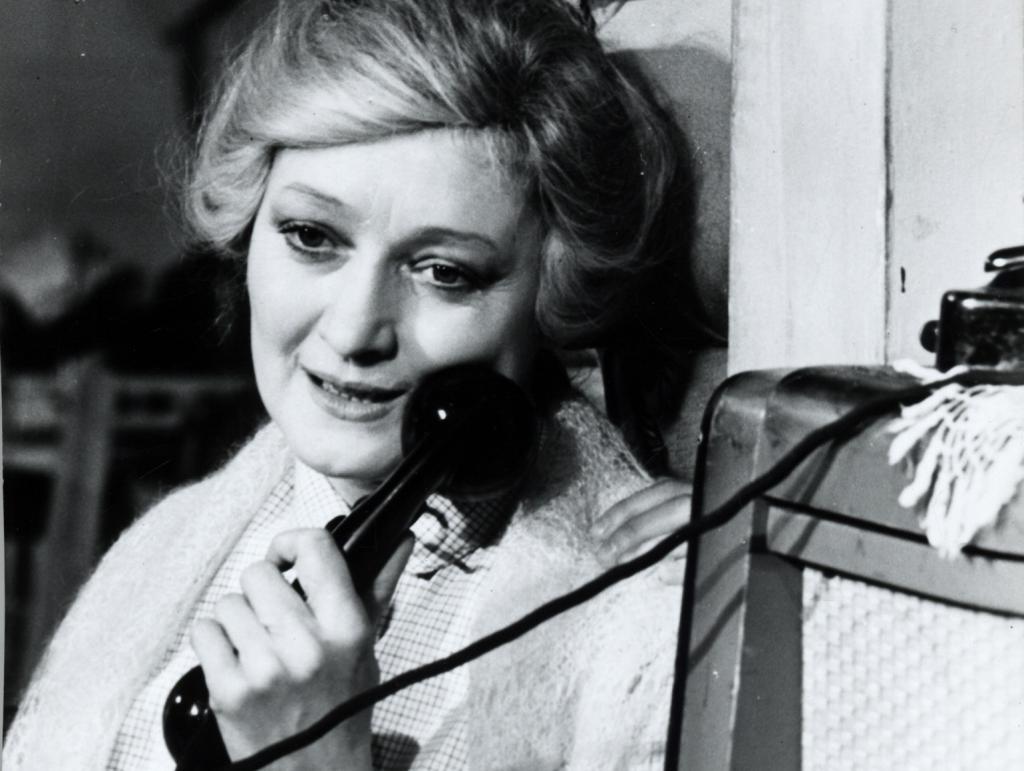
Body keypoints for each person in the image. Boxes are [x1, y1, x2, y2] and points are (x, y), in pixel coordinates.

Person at [4, 0, 694, 768]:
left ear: (554, 295)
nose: (355, 329)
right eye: (312, 237)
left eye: (445, 272)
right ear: (249, 230)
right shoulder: (158, 551)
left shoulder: (643, 621)